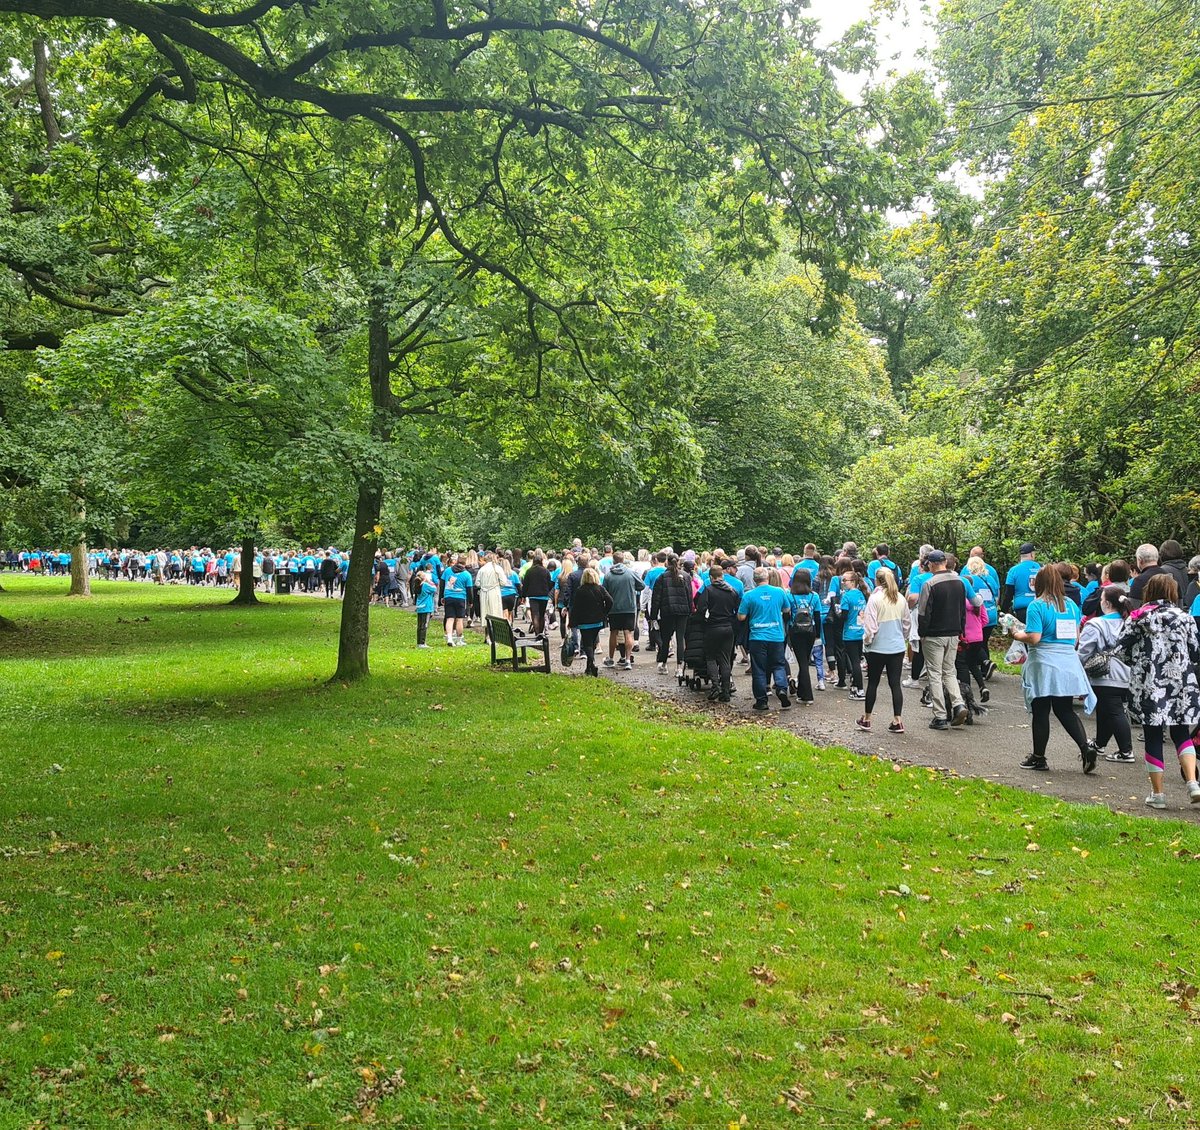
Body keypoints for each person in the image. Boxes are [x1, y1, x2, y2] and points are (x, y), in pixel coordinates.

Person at [1115, 574, 1200, 809]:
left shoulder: (1138, 618)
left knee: (1152, 735)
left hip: (1149, 684)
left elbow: (1121, 649)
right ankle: (1192, 782)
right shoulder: (1185, 618)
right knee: (1181, 732)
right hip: (1181, 682)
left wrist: (1141, 662)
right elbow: (1195, 651)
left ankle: (1158, 794)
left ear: (1148, 592)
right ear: (1173, 592)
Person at [1006, 566, 1096, 772]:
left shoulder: (1036, 606)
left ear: (1039, 583)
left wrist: (1016, 634)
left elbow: (1034, 638)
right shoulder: (1071, 605)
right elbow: (1075, 638)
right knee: (1064, 710)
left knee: (1041, 711)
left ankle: (1039, 757)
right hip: (1067, 661)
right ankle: (1085, 747)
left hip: (1044, 663)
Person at [1076, 584, 1134, 763]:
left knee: (1114, 711)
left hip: (1104, 674)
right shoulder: (1128, 622)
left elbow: (1084, 651)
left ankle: (1126, 751)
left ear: (1107, 603)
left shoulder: (1096, 624)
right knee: (1106, 710)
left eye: (1101, 600)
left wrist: (1076, 670)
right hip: (1126, 672)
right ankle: (1100, 743)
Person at [916, 550, 968, 730]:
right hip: (953, 633)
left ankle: (940, 715)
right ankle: (958, 704)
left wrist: (922, 633)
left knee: (935, 674)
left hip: (934, 634)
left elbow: (923, 612)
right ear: (945, 562)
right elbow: (962, 609)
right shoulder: (959, 582)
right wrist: (961, 630)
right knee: (950, 671)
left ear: (930, 564)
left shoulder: (929, 584)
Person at [858, 566, 910, 733]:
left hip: (878, 647)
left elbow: (870, 626)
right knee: (895, 684)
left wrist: (867, 642)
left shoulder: (875, 599)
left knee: (873, 682)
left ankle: (867, 718)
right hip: (897, 646)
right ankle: (898, 720)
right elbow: (907, 624)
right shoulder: (900, 598)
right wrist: (902, 637)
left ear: (877, 580)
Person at [737, 566, 792, 710]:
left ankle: (761, 700)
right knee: (778, 664)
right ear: (767, 578)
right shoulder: (779, 592)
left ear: (754, 580)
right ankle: (781, 688)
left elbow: (741, 617)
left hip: (757, 636)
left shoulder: (749, 595)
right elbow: (787, 609)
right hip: (776, 636)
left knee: (759, 669)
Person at [694, 563, 740, 701]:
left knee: (711, 657)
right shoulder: (732, 591)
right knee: (725, 659)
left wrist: (702, 621)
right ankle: (725, 691)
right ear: (722, 576)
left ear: (711, 577)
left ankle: (715, 686)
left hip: (713, 627)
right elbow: (737, 610)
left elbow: (701, 609)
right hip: (728, 628)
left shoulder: (708, 590)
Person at [650, 554, 695, 676]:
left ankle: (664, 664)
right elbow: (689, 595)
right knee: (680, 639)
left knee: (666, 639)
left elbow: (656, 598)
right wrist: (690, 611)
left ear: (666, 562)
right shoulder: (685, 576)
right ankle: (679, 667)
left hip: (667, 610)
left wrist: (653, 615)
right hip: (683, 611)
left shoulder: (662, 577)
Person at [601, 551, 644, 670]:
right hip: (629, 607)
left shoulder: (608, 575)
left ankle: (610, 659)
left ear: (613, 561)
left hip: (614, 608)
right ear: (623, 560)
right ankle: (628, 660)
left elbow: (604, 591)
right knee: (628, 633)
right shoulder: (630, 573)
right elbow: (642, 585)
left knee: (613, 633)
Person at [786, 568, 822, 704]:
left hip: (795, 631)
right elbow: (817, 616)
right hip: (810, 631)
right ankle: (802, 691)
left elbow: (786, 615)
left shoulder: (790, 596)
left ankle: (807, 695)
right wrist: (818, 634)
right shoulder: (814, 596)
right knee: (805, 660)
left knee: (803, 663)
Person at [568, 567, 613, 677]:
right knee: (592, 643)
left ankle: (591, 663)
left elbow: (575, 607)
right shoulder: (600, 588)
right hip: (597, 621)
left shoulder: (580, 590)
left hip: (584, 621)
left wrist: (572, 622)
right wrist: (604, 613)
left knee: (587, 643)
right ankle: (589, 666)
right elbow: (610, 601)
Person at [837, 568, 869, 700]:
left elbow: (843, 616)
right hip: (860, 631)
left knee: (854, 662)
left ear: (853, 581)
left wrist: (837, 613)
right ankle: (855, 686)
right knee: (857, 659)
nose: (843, 582)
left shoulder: (847, 596)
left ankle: (860, 690)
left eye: (845, 580)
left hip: (849, 633)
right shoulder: (861, 595)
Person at [1002, 542, 1040, 623]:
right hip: (1039, 607)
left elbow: (1008, 593)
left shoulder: (1013, 570)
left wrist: (1003, 610)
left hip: (1021, 608)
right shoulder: (1041, 568)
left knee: (1023, 633)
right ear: (1032, 554)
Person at [521, 551, 554, 636]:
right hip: (543, 596)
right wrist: (547, 590)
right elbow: (549, 583)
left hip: (533, 596)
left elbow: (525, 585)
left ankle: (537, 634)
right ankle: (541, 633)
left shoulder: (529, 571)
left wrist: (523, 596)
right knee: (542, 615)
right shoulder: (545, 571)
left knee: (535, 615)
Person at [441, 558, 473, 645]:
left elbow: (442, 584)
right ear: (465, 564)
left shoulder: (447, 571)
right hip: (461, 598)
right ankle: (459, 640)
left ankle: (449, 638)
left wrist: (441, 596)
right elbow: (469, 589)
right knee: (459, 620)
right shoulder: (467, 574)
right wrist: (470, 601)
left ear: (456, 562)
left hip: (448, 597)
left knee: (450, 618)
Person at [476, 551, 506, 631]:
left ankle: (487, 635)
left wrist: (484, 586)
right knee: (495, 612)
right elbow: (504, 582)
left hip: (484, 593)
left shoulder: (482, 569)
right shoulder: (498, 568)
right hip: (494, 591)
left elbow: (477, 583)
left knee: (485, 612)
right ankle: (494, 633)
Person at [413, 569, 437, 648]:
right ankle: (422, 643)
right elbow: (434, 589)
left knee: (419, 625)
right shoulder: (425, 585)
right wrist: (429, 581)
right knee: (424, 625)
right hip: (426, 607)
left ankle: (419, 642)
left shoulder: (417, 585)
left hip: (420, 606)